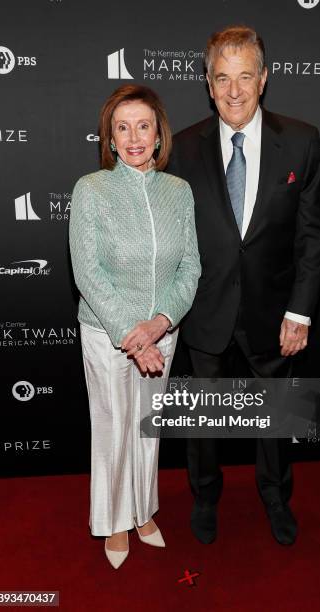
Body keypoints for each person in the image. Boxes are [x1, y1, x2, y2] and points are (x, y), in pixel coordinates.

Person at [167, 26, 320, 546]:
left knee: (276, 418)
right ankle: (205, 496)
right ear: (208, 85)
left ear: (263, 78)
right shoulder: (182, 147)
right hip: (204, 309)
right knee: (203, 422)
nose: (233, 91)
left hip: (274, 313)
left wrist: (300, 312)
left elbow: (312, 236)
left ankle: (276, 496)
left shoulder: (302, 140)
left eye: (244, 77)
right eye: (221, 78)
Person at [69, 84, 201, 568]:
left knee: (147, 430)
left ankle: (143, 511)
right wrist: (133, 333)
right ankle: (112, 521)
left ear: (159, 133)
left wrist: (160, 323)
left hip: (163, 335)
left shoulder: (179, 192)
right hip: (108, 336)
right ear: (108, 138)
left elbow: (191, 267)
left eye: (143, 125)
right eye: (121, 128)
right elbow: (88, 273)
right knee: (112, 429)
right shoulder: (92, 190)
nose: (133, 137)